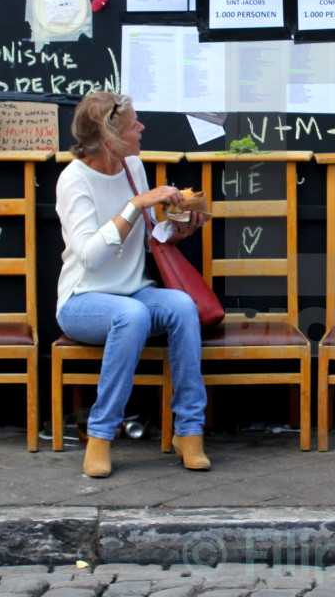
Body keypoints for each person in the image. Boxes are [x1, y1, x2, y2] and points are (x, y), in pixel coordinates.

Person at [55, 91, 209, 478]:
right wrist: (135, 205)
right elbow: (90, 257)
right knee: (133, 315)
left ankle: (189, 431)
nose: (141, 128)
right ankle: (101, 435)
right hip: (83, 300)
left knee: (182, 306)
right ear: (110, 139)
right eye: (133, 125)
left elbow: (144, 241)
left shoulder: (132, 166)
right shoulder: (73, 179)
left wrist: (176, 229)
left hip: (134, 292)